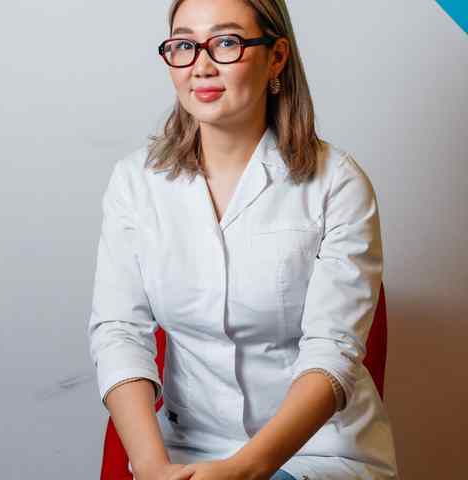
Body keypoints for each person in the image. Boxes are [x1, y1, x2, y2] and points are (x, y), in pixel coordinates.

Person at [87, 1, 400, 479]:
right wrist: (151, 468)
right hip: (187, 445)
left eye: (226, 42)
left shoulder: (338, 183)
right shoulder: (135, 182)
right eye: (184, 45)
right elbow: (119, 333)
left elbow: (331, 351)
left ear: (276, 57)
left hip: (316, 452)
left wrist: (245, 470)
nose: (201, 66)